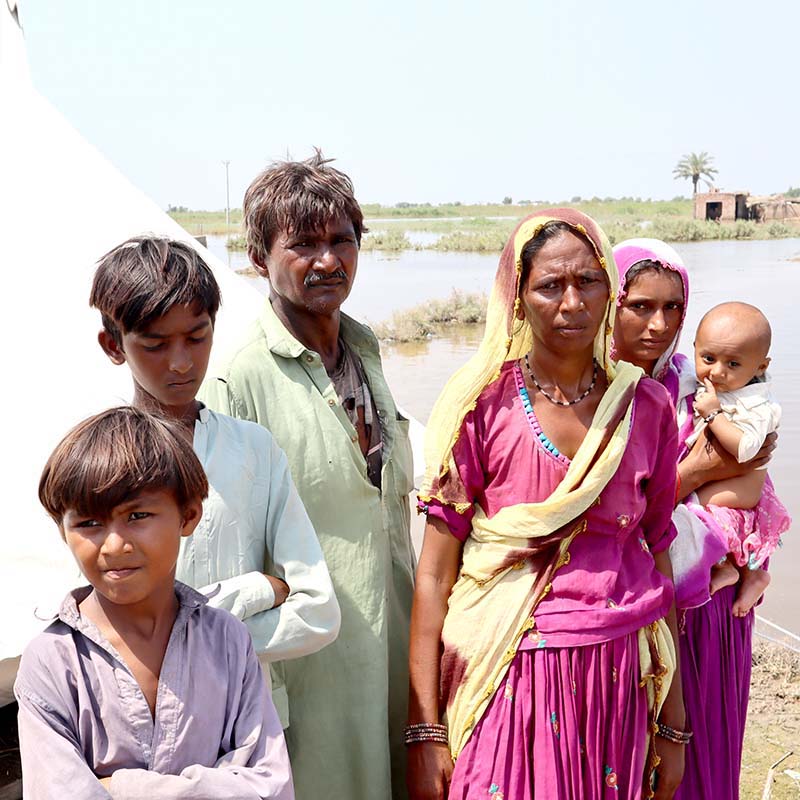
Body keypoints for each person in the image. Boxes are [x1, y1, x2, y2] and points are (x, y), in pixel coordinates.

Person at [408, 211, 686, 800]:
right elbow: (434, 575)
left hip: (618, 678)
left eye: (588, 281)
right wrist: (426, 729)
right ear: (517, 297)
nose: (572, 303)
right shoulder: (478, 409)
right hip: (503, 674)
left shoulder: (648, 408)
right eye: (549, 286)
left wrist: (673, 720)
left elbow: (659, 557)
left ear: (610, 288)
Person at [200, 153, 416, 800]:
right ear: (259, 256)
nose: (327, 260)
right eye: (303, 244)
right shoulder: (237, 381)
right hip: (312, 681)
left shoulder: (365, 347)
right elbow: (228, 569)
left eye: (341, 240)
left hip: (397, 652)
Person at [89, 236, 340, 727]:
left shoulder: (253, 450)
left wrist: (199, 642)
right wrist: (254, 590)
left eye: (196, 337)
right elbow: (98, 619)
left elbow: (318, 611)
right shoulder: (96, 463)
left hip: (244, 723)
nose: (181, 363)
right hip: (133, 721)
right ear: (114, 345)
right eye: (156, 345)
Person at [15, 407, 294, 799]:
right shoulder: (53, 662)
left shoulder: (226, 641)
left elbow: (270, 786)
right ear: (63, 529)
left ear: (189, 515)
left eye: (138, 515)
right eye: (89, 523)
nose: (114, 545)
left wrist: (124, 787)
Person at [612, 238, 787, 800]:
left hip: (709, 609)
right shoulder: (584, 394)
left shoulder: (696, 383)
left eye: (673, 308)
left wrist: (752, 560)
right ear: (608, 304)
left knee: (706, 740)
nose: (658, 324)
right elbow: (609, 516)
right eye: (639, 305)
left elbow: (753, 474)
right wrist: (693, 473)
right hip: (629, 600)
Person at [689, 302, 785, 615]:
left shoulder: (757, 406)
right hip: (732, 479)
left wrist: (713, 413)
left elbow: (745, 451)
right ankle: (746, 572)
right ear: (695, 348)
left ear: (760, 366)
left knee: (691, 508)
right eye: (708, 358)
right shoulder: (725, 387)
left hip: (743, 485)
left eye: (732, 364)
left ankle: (732, 569)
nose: (717, 371)